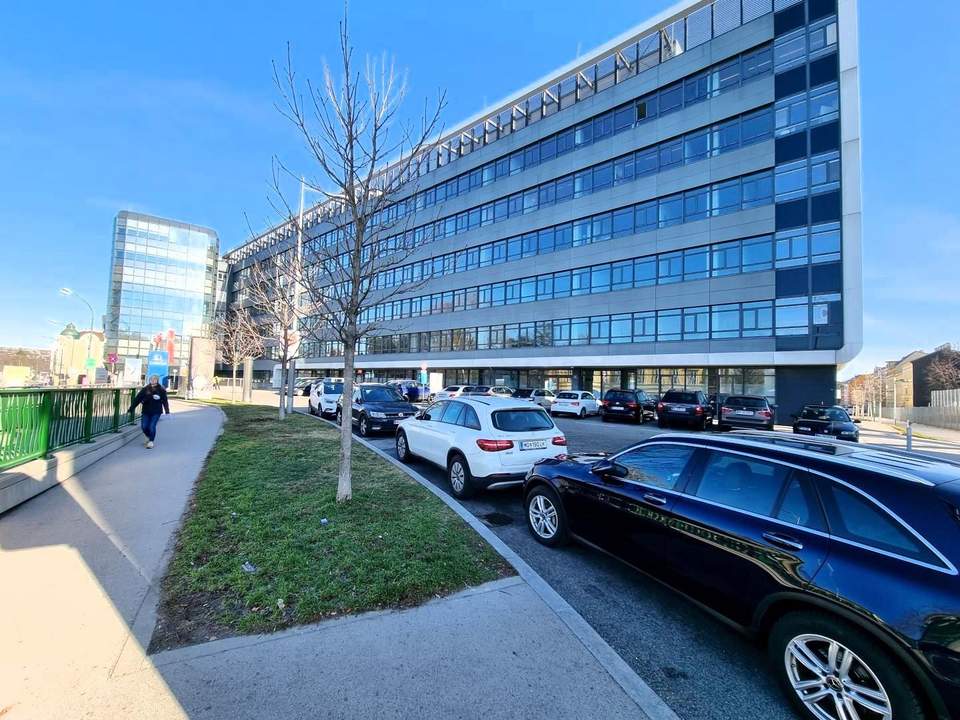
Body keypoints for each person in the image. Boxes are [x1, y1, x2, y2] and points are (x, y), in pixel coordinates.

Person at [129, 374, 171, 448]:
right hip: (146, 411)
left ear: (157, 380)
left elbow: (165, 401)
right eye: (151, 379)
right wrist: (131, 408)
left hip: (156, 411)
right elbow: (137, 399)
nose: (153, 380)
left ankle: (151, 441)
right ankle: (148, 436)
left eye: (154, 379)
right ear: (149, 380)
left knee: (152, 426)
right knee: (144, 426)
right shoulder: (145, 389)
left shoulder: (161, 389)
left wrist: (167, 411)